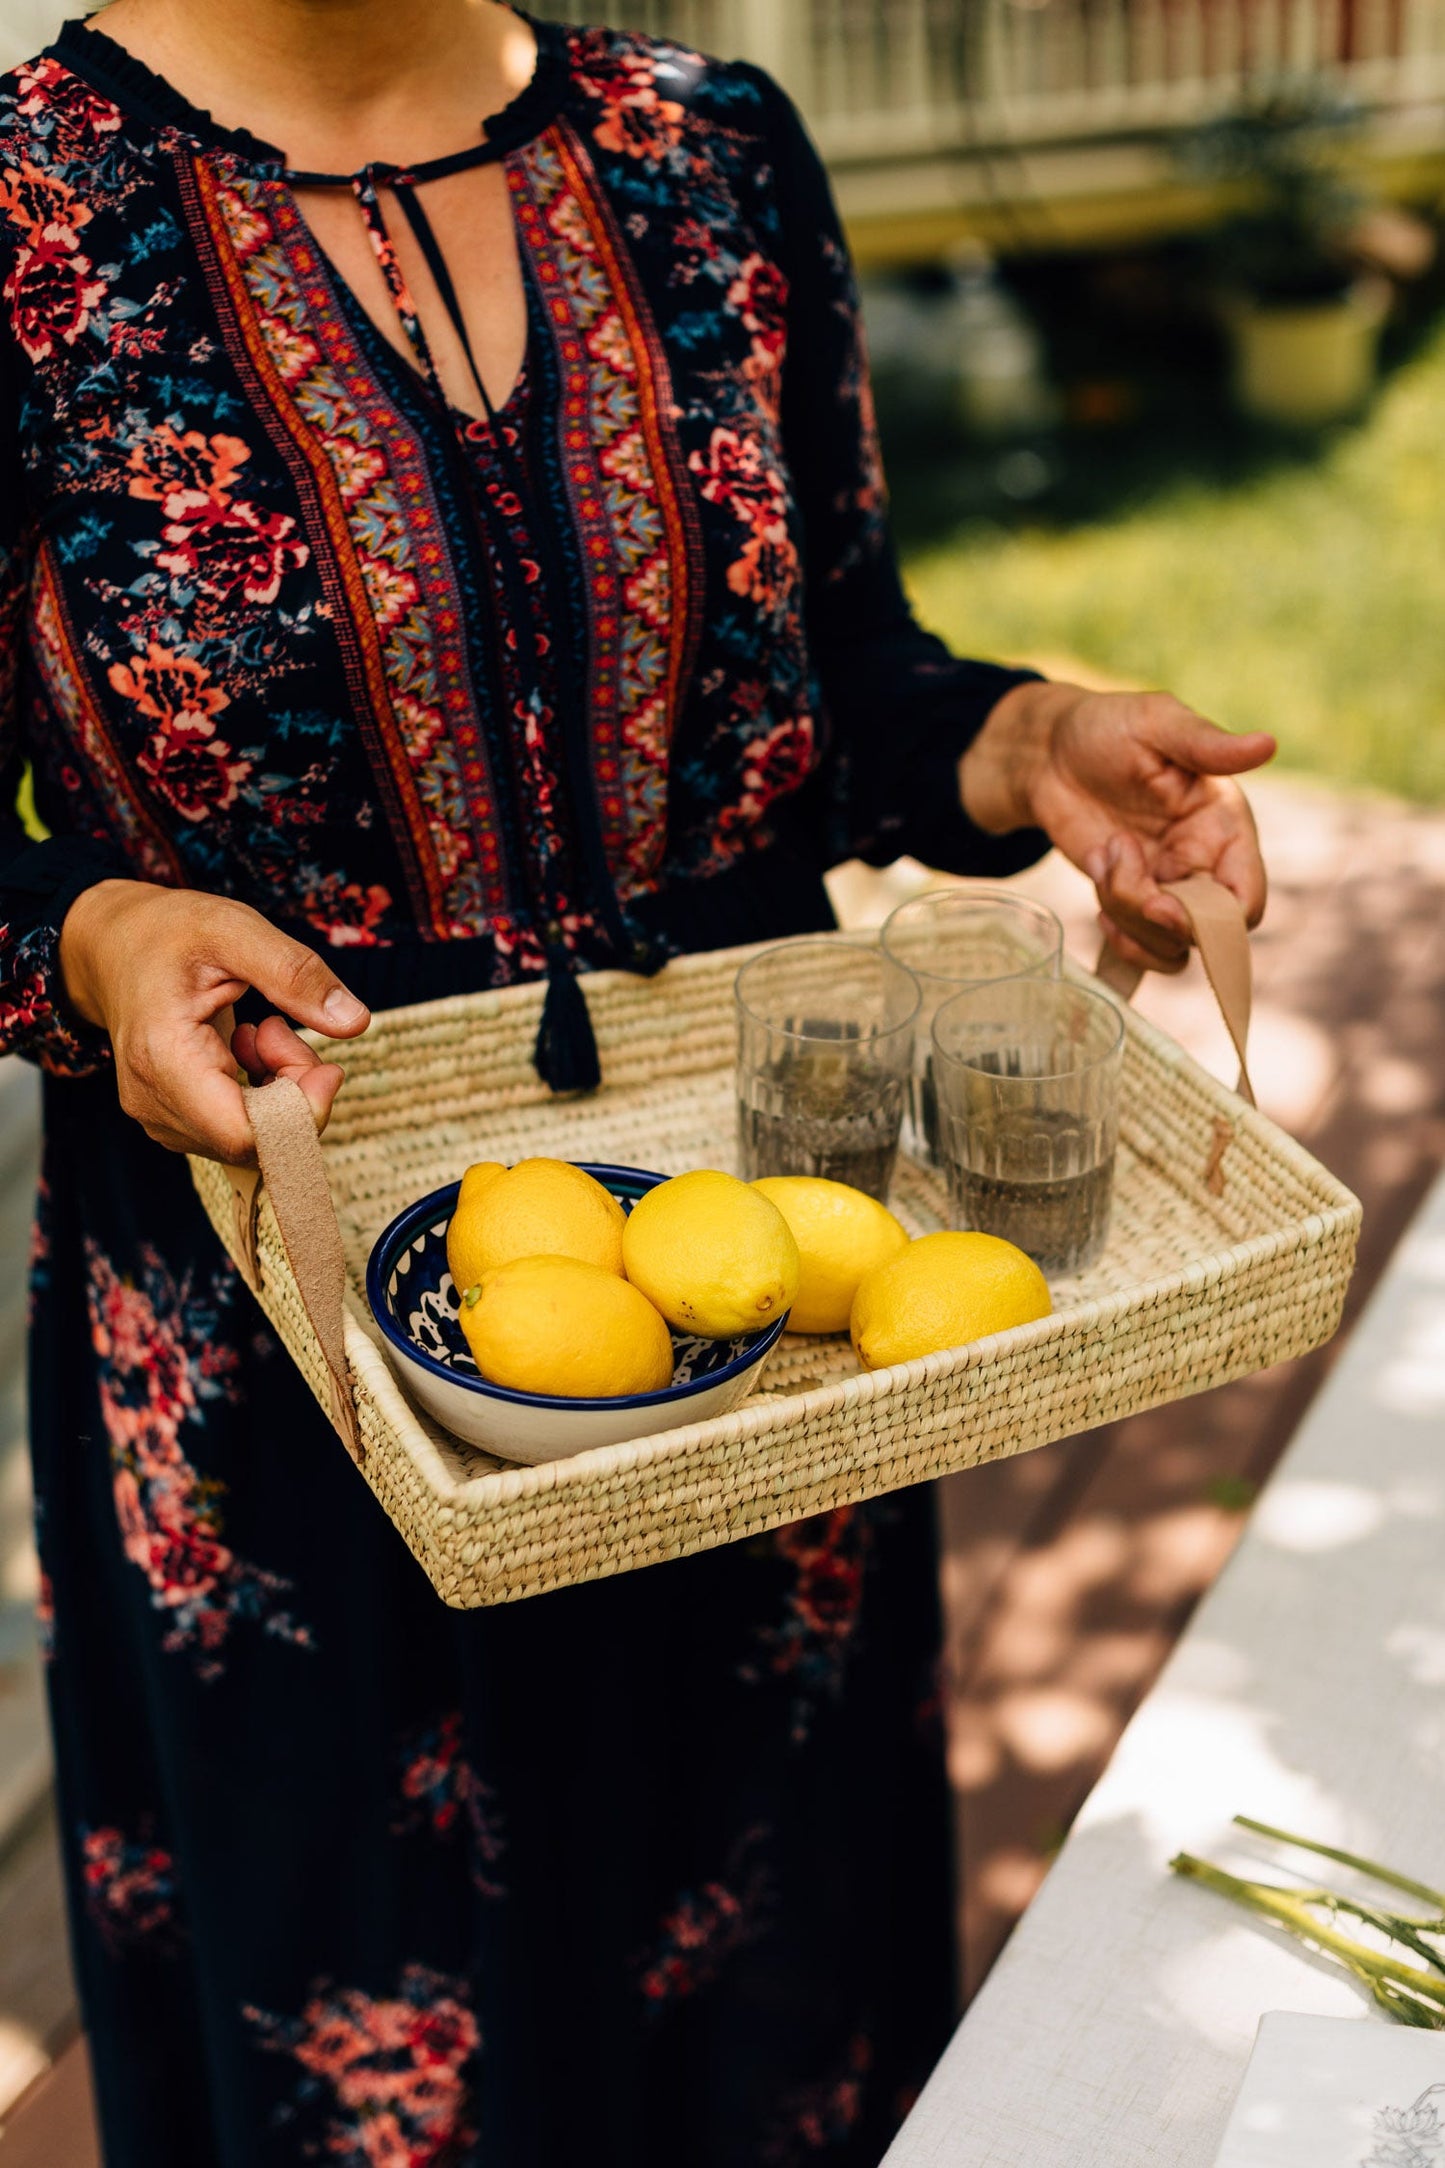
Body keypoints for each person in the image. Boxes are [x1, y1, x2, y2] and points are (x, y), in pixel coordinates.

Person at [0, 3, 1273, 2161]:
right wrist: (96, 938)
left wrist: (1019, 743)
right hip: (298, 1352)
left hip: (762, 1301)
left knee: (768, 2019)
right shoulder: (23, 215)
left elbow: (836, 673)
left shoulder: (710, 147)